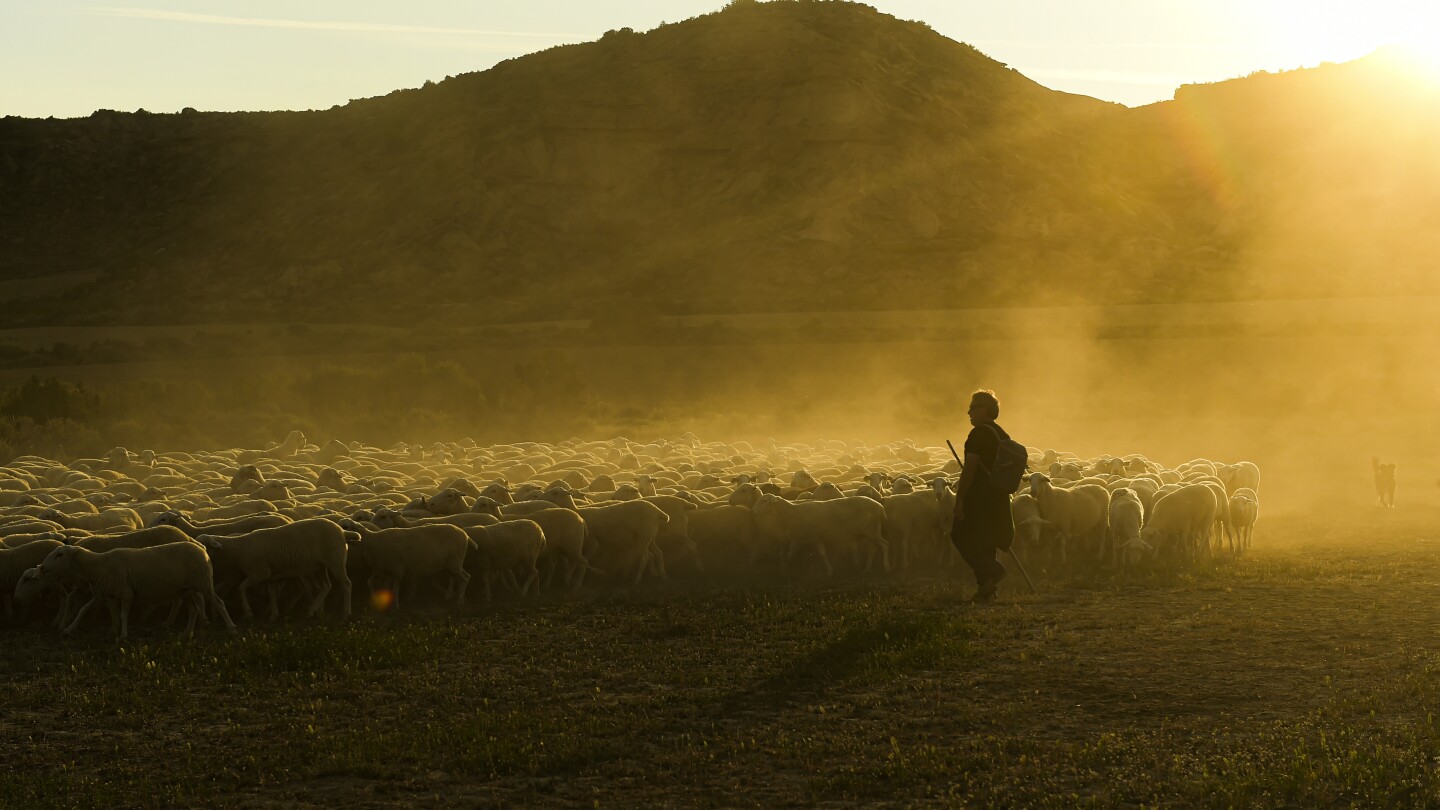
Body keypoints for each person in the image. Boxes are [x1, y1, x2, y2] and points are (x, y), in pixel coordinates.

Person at [952, 389, 1016, 604]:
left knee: (960, 534)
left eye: (974, 407)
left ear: (986, 410)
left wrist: (960, 498)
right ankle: (986, 591)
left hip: (979, 497)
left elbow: (969, 469)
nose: (969, 412)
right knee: (985, 542)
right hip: (998, 497)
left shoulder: (979, 434)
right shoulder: (1001, 433)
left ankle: (993, 570)